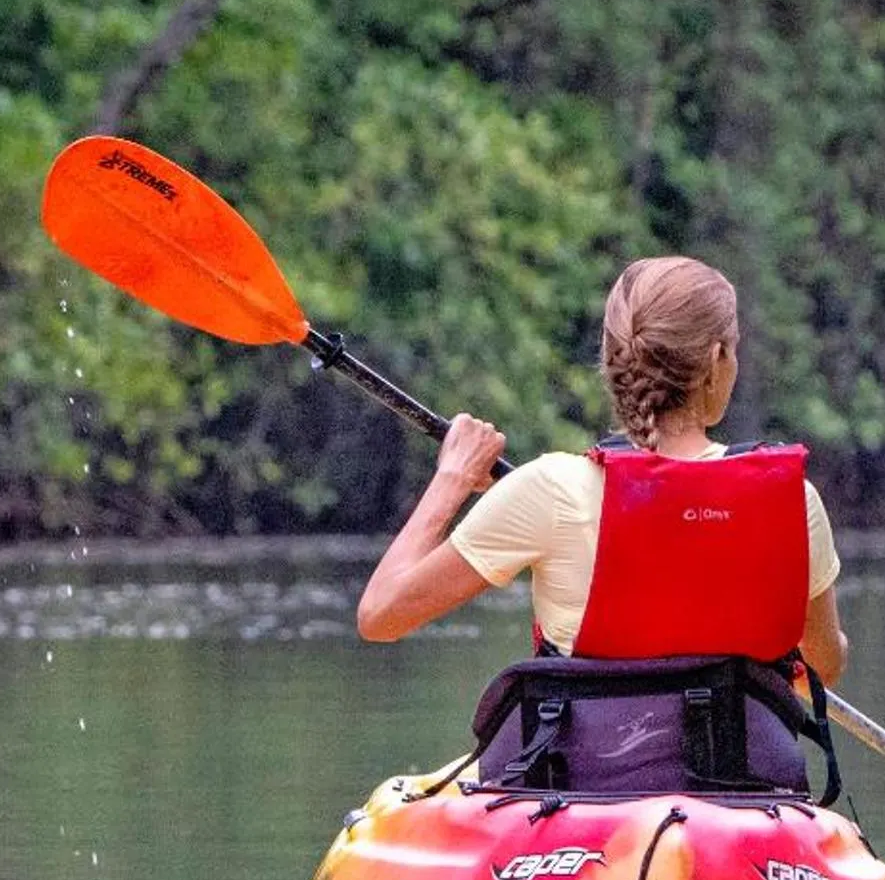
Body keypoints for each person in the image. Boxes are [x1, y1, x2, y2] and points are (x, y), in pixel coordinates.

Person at [356, 255, 849, 685]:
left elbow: (380, 616)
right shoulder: (790, 501)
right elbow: (823, 667)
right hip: (733, 764)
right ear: (717, 361)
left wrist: (454, 477)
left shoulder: (547, 489)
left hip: (590, 761)